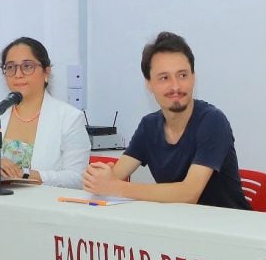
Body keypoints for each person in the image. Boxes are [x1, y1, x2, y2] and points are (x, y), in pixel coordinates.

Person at [81, 32, 249, 208]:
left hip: (225, 228)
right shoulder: (149, 126)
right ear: (148, 83)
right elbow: (115, 175)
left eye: (182, 75)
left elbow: (188, 194)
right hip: (176, 226)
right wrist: (100, 176)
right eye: (164, 78)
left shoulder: (213, 121)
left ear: (193, 77)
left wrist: (116, 187)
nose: (175, 86)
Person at [0, 37, 89, 188]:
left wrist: (24, 174)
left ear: (46, 71)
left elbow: (77, 178)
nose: (18, 74)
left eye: (27, 66)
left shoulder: (69, 117)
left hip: (43, 207)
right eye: (10, 67)